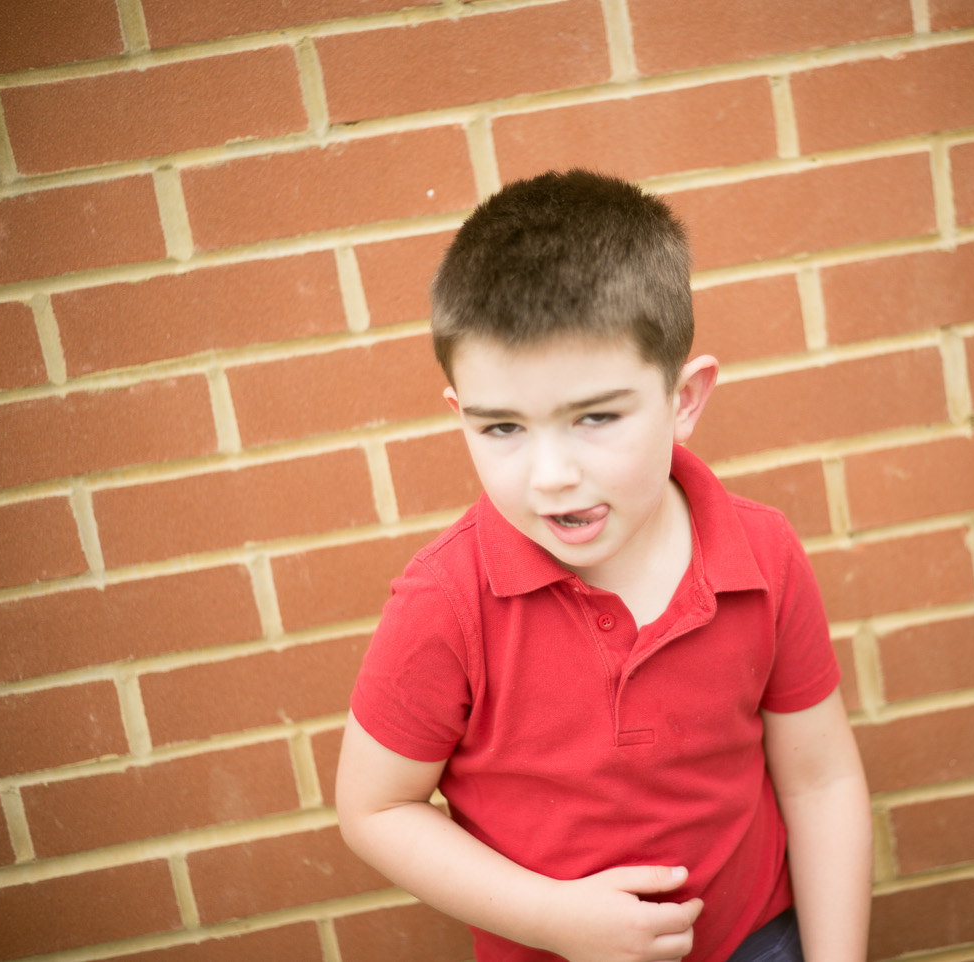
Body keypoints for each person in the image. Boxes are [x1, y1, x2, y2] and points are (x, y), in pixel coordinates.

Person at [336, 169, 872, 962]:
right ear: (460, 413)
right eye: (503, 428)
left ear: (683, 400)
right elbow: (375, 808)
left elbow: (821, 781)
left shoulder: (763, 556)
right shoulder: (446, 599)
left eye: (594, 417)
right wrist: (550, 918)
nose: (551, 475)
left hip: (757, 941)